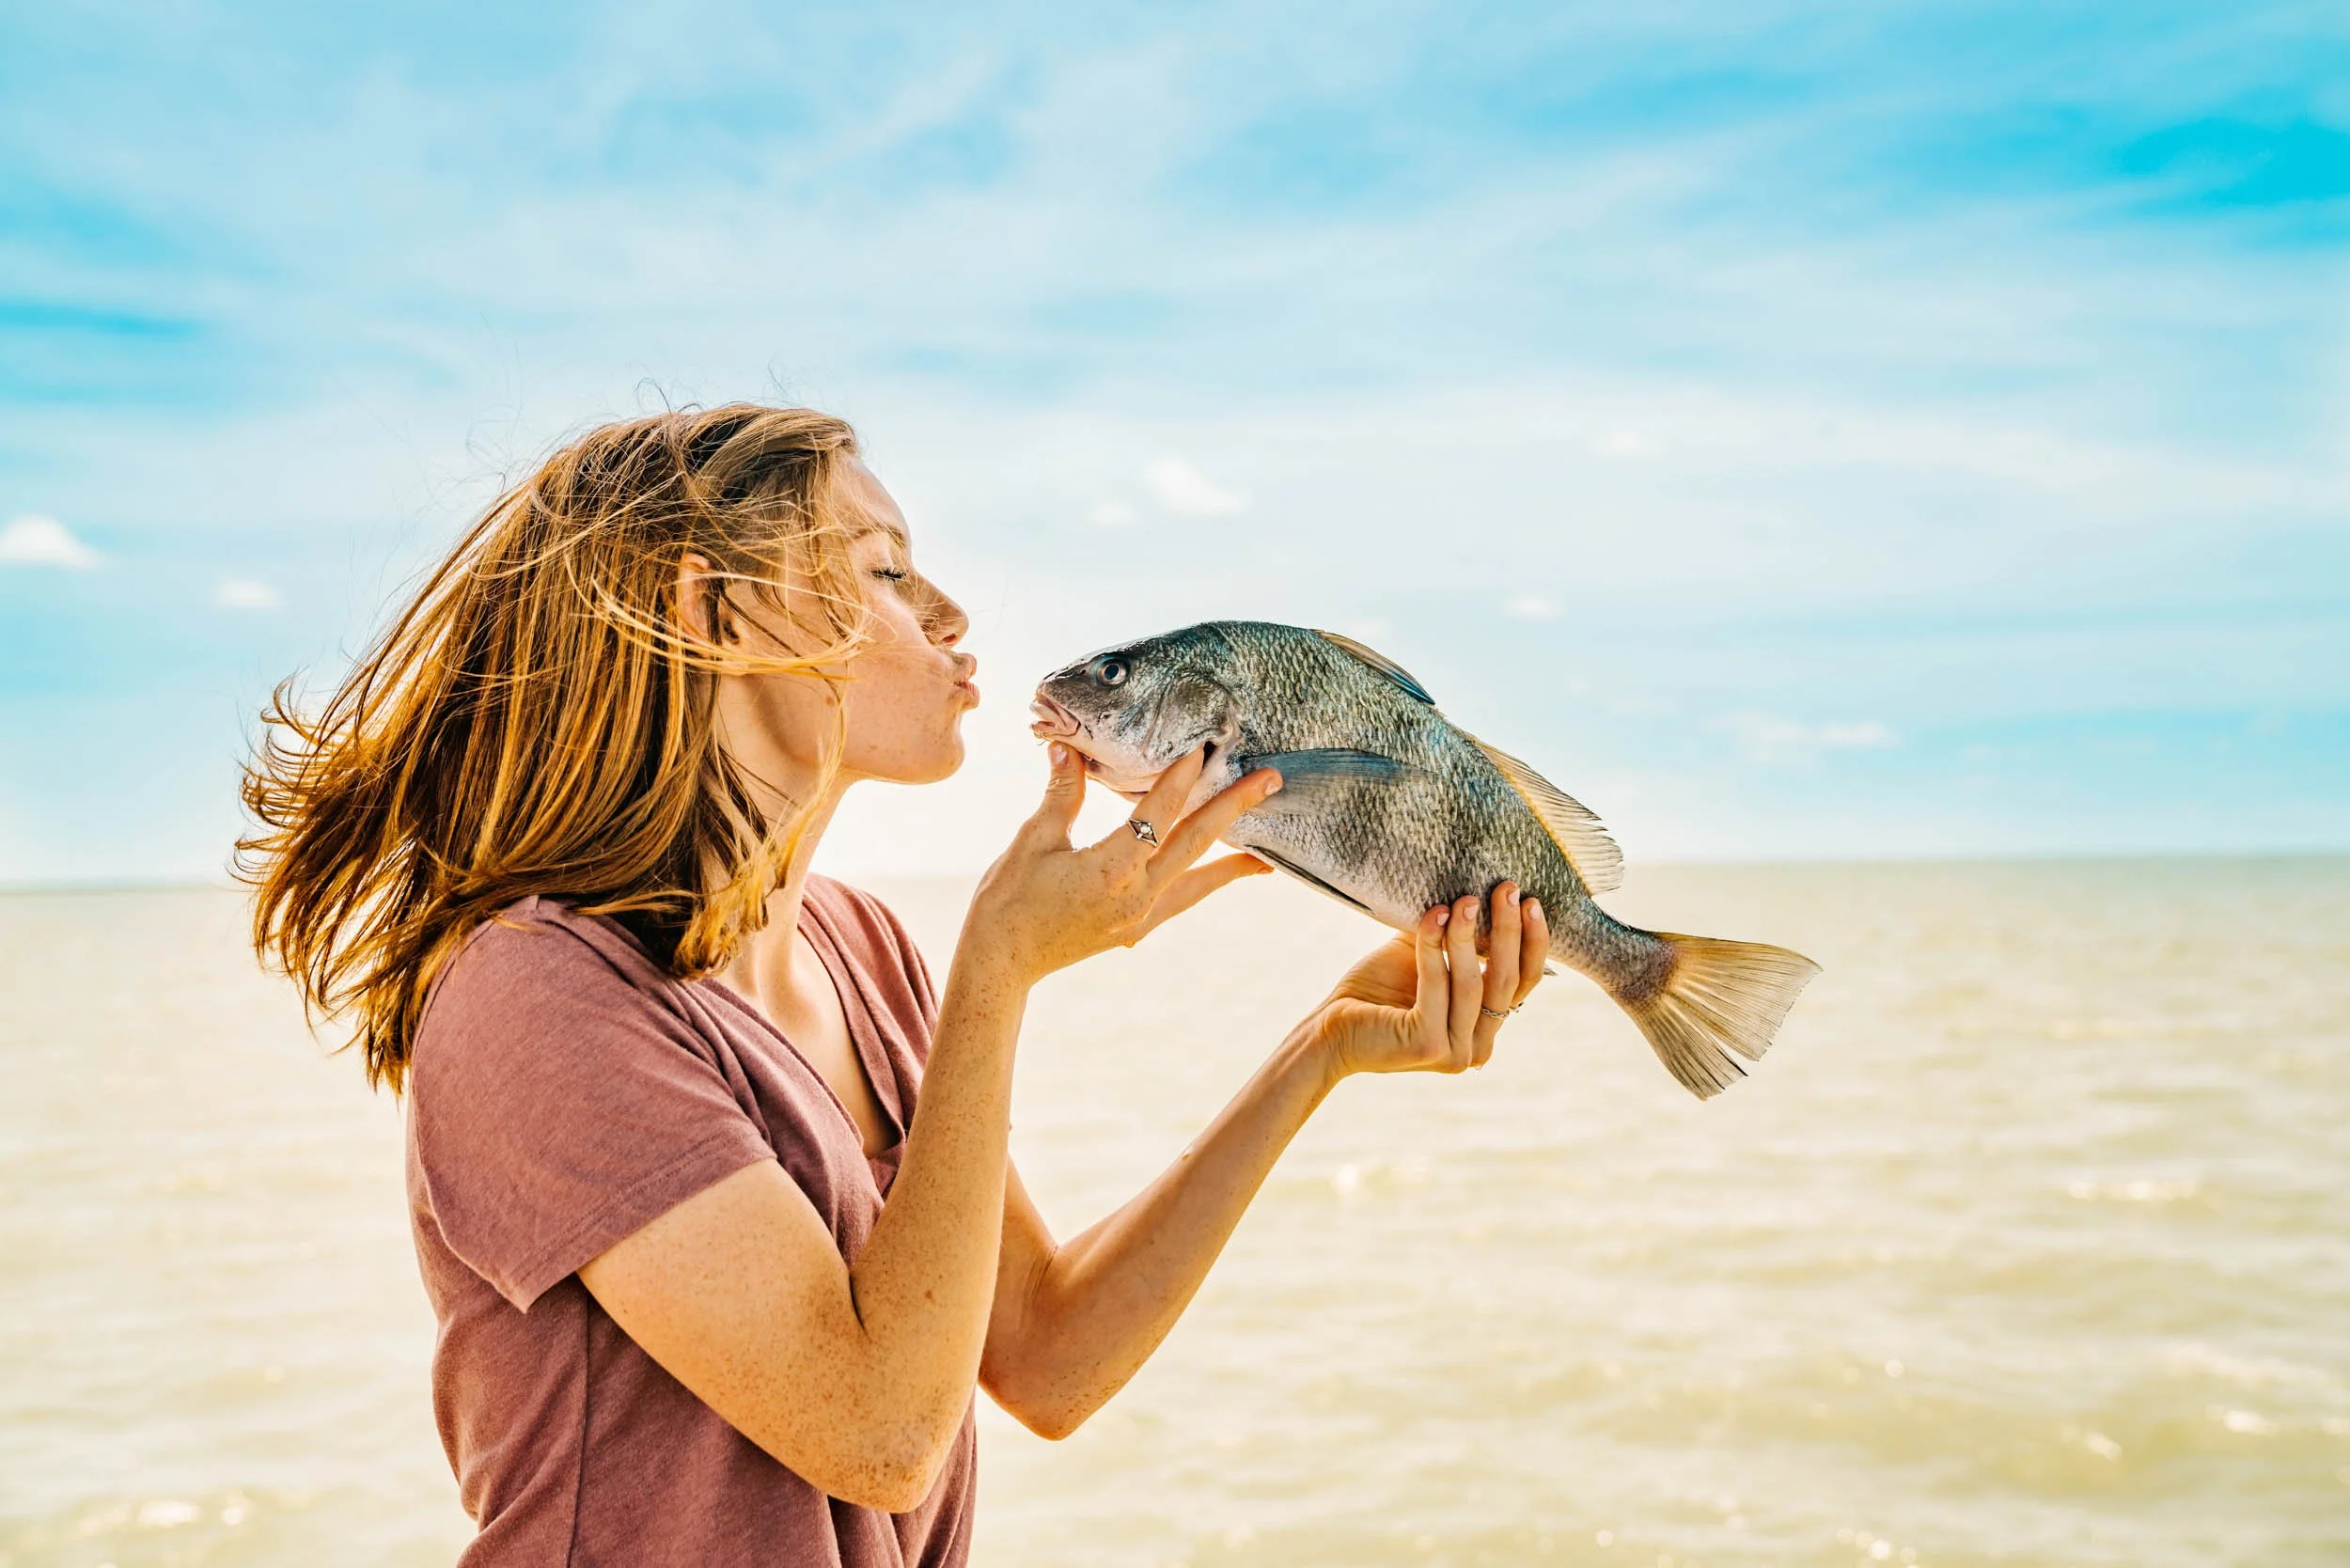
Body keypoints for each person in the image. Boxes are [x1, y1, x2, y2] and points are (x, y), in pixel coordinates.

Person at [241, 403, 1549, 1566]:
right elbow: (877, 1434)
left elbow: (1043, 1357)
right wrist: (1000, 969)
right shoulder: (538, 995)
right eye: (885, 570)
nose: (951, 613)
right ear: (718, 613)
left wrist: (1322, 1047)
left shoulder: (856, 946)